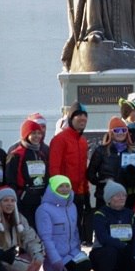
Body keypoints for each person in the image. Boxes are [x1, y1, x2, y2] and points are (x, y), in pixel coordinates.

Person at [36, 175, 92, 271]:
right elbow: (46, 238)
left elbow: (75, 232)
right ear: (53, 188)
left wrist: (78, 252)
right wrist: (55, 260)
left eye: (67, 186)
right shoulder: (44, 209)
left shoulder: (72, 206)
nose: (65, 189)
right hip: (55, 258)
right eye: (60, 186)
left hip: (72, 255)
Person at [48, 102, 92, 241]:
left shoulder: (83, 141)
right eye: (78, 115)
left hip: (80, 194)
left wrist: (86, 191)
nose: (82, 118)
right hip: (64, 194)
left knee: (77, 232)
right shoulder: (60, 140)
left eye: (85, 116)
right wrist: (58, 193)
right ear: (71, 118)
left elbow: (83, 168)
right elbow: (54, 168)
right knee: (64, 231)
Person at [88, 117, 135, 208]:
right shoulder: (101, 151)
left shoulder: (133, 152)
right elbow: (90, 174)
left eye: (123, 130)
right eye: (117, 130)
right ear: (111, 132)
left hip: (127, 198)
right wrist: (102, 182)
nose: (120, 133)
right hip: (106, 197)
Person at [6, 116, 50, 226]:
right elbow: (10, 179)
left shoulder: (42, 154)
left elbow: (46, 176)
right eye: (33, 133)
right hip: (24, 200)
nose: (37, 136)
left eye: (39, 133)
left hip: (40, 199)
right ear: (26, 134)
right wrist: (17, 197)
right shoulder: (16, 154)